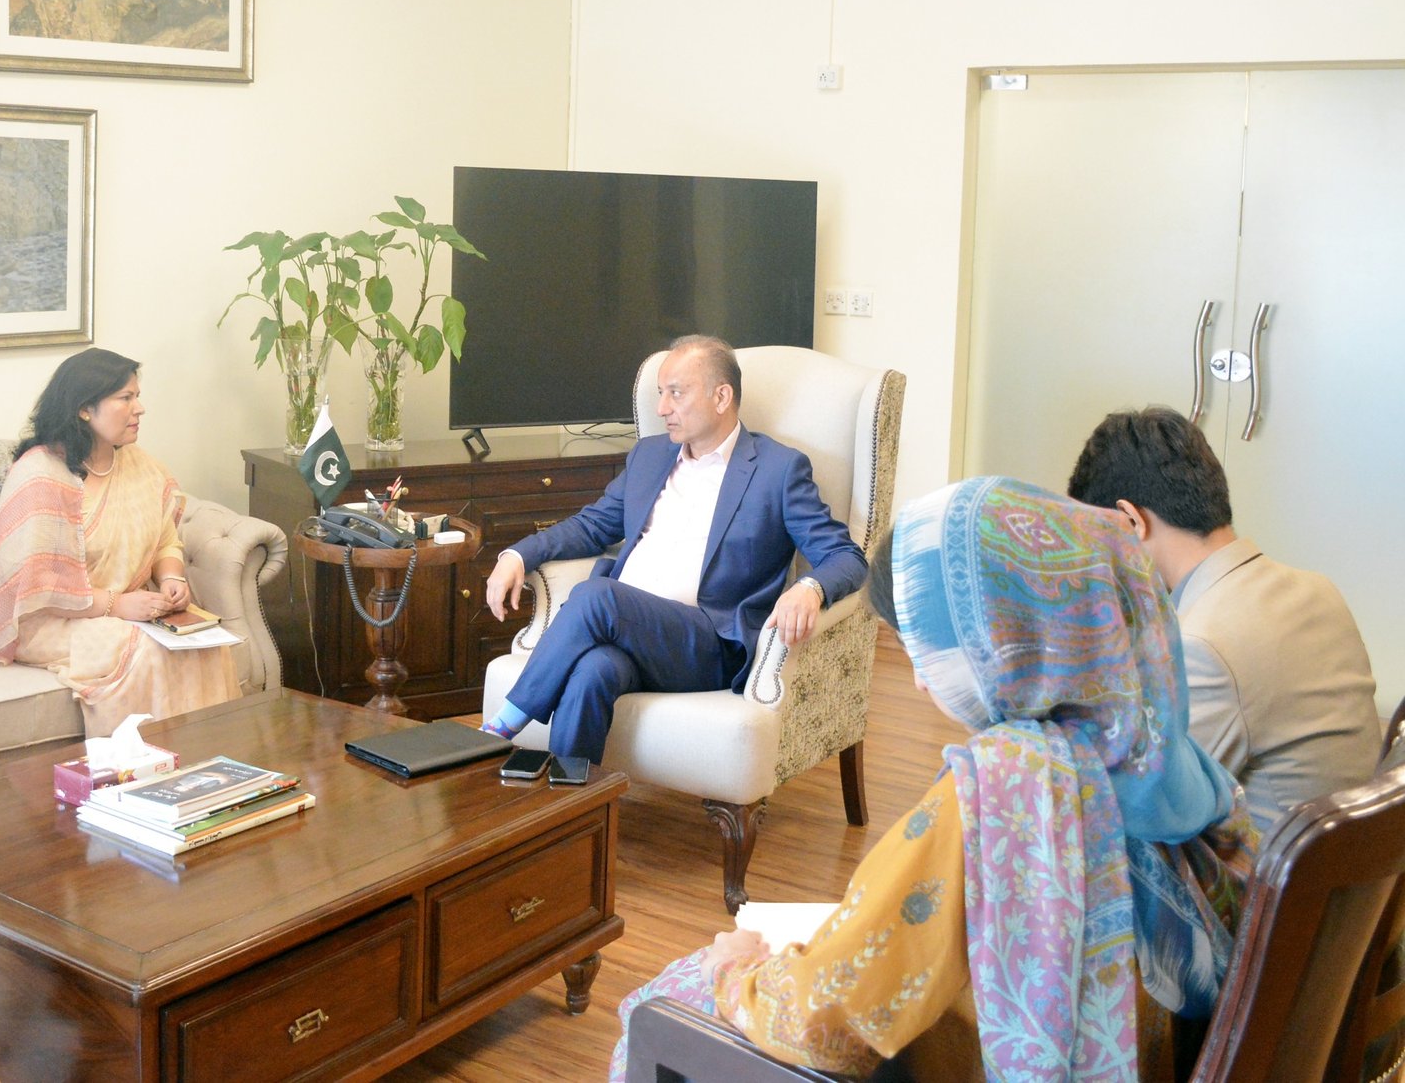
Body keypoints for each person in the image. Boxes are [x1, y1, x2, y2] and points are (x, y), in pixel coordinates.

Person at [610, 478, 1260, 1080]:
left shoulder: (1008, 786)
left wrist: (736, 969)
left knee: (658, 1001)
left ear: (1000, 640)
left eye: (928, 650)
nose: (920, 681)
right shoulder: (1166, 756)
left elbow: (825, 1015)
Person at [480, 336, 864, 762]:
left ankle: (500, 727)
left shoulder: (778, 470)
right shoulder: (648, 456)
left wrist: (810, 588)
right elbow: (592, 525)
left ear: (721, 397)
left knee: (596, 596)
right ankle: (570, 797)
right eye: (660, 393)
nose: (662, 408)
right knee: (594, 672)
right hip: (629, 631)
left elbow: (846, 556)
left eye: (676, 393)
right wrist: (518, 555)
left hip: (708, 642)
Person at [1068, 406, 1382, 835]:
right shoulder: (1316, 588)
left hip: (1264, 874)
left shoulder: (1203, 643)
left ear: (1130, 521)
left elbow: (1153, 809)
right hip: (1351, 865)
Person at [0, 348, 239, 735]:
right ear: (85, 409)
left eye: (137, 396)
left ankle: (212, 758)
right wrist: (117, 604)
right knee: (147, 651)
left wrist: (172, 578)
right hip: (52, 622)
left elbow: (165, 540)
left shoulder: (139, 465)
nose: (140, 408)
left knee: (208, 644)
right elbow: (40, 587)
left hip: (133, 611)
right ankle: (143, 763)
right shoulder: (41, 474)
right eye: (126, 398)